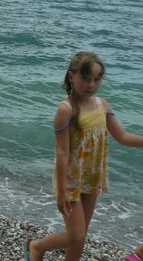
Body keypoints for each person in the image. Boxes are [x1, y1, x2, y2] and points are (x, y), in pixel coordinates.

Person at [26, 52, 143, 261]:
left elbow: (122, 136)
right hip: (70, 179)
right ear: (72, 76)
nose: (91, 85)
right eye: (85, 78)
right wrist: (61, 191)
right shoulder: (66, 110)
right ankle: (36, 247)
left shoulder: (102, 105)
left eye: (97, 79)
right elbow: (62, 152)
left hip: (93, 175)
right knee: (75, 235)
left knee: (81, 236)